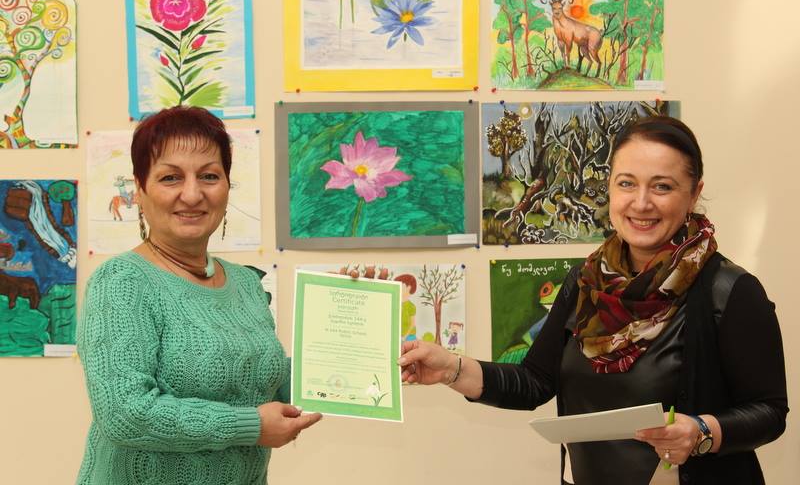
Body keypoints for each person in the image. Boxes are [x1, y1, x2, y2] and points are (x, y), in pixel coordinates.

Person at [398, 116, 788, 485]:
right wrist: (450, 369)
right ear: (610, 189)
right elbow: (534, 382)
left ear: (694, 193)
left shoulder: (729, 290)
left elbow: (769, 411)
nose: (641, 203)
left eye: (662, 187)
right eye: (626, 183)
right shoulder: (586, 281)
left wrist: (702, 432)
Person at [77, 106, 322, 484]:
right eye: (170, 177)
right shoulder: (122, 282)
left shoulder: (245, 283)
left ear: (226, 186)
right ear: (139, 190)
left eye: (209, 176)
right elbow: (126, 414)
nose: (192, 194)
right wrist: (251, 426)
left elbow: (261, 383)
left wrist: (365, 349)